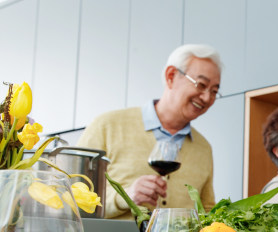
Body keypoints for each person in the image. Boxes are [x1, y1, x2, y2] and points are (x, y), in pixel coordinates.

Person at [78, 44, 221, 219]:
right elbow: (71, 196)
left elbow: (207, 211)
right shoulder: (106, 126)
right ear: (171, 76)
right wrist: (123, 198)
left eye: (214, 91)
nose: (207, 98)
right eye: (201, 84)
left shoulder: (204, 148)